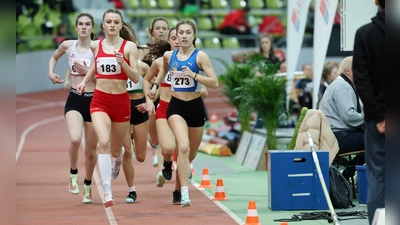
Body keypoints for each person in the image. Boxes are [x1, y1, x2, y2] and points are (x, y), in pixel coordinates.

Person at [148, 20, 218, 207]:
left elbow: (214, 83)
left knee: (190, 154)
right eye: (181, 33)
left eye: (188, 32)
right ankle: (185, 194)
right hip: (176, 107)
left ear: (194, 35)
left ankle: (178, 188)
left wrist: (195, 76)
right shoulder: (169, 56)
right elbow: (162, 71)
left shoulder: (200, 56)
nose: (184, 36)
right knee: (183, 147)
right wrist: (155, 87)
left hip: (195, 108)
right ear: (176, 36)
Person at [76, 8, 141, 208]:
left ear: (121, 25)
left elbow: (136, 78)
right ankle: (107, 192)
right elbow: (96, 65)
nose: (112, 25)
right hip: (100, 101)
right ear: (103, 25)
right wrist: (84, 81)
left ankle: (118, 157)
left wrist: (124, 64)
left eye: (115, 22)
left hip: (121, 102)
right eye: (108, 22)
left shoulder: (129, 47)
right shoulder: (96, 45)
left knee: (114, 150)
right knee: (102, 142)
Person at [48, 13, 97, 204]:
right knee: (76, 140)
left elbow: (106, 77)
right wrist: (51, 72)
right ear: (76, 27)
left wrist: (88, 74)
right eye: (81, 24)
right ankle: (73, 173)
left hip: (94, 101)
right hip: (75, 100)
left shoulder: (97, 48)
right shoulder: (68, 45)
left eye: (87, 24)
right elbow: (54, 57)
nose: (84, 27)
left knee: (91, 151)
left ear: (92, 28)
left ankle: (87, 184)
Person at [352, 0, 385, 223]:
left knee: (379, 177)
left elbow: (361, 81)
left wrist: (380, 117)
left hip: (379, 123)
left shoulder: (365, 34)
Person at [318, 56, 365, 181]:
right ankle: (345, 179)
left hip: (338, 135)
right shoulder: (343, 86)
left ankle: (346, 179)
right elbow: (350, 117)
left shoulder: (343, 84)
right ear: (347, 71)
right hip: (341, 136)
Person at [140, 17, 170, 168]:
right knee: (153, 132)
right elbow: (135, 67)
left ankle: (165, 159)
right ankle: (154, 148)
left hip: (165, 92)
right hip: (149, 92)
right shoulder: (144, 49)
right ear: (152, 31)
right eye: (158, 28)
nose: (161, 31)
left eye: (164, 28)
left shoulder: (171, 48)